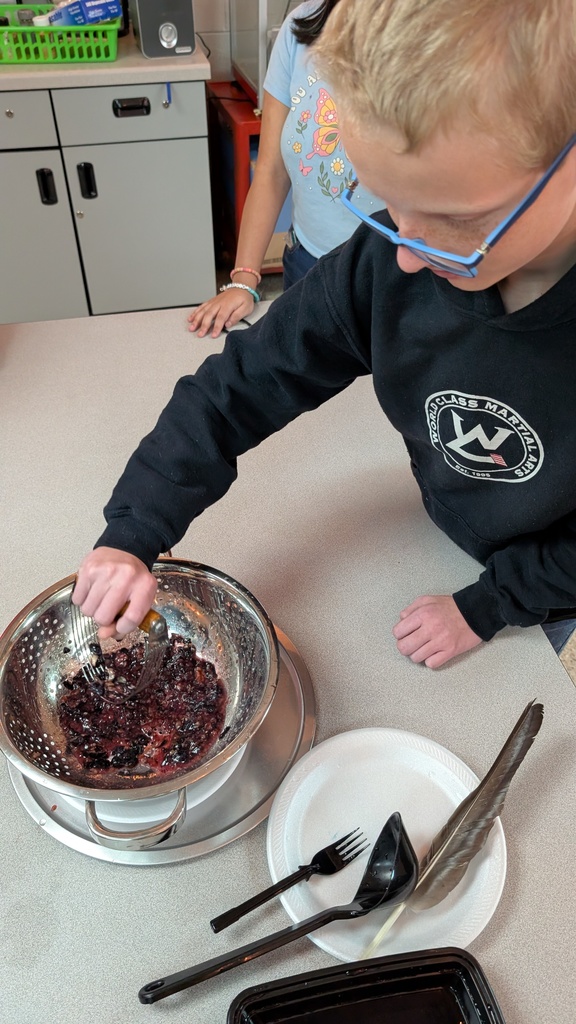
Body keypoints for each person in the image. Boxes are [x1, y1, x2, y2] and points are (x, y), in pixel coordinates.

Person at [74, 0, 576, 667]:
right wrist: (135, 529)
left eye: (453, 218)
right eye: (388, 202)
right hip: (450, 526)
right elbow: (239, 388)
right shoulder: (387, 263)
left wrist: (491, 603)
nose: (404, 252)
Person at [188, 0, 380, 339]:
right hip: (308, 266)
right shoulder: (301, 26)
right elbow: (271, 170)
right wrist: (244, 279)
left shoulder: (437, 38)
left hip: (401, 277)